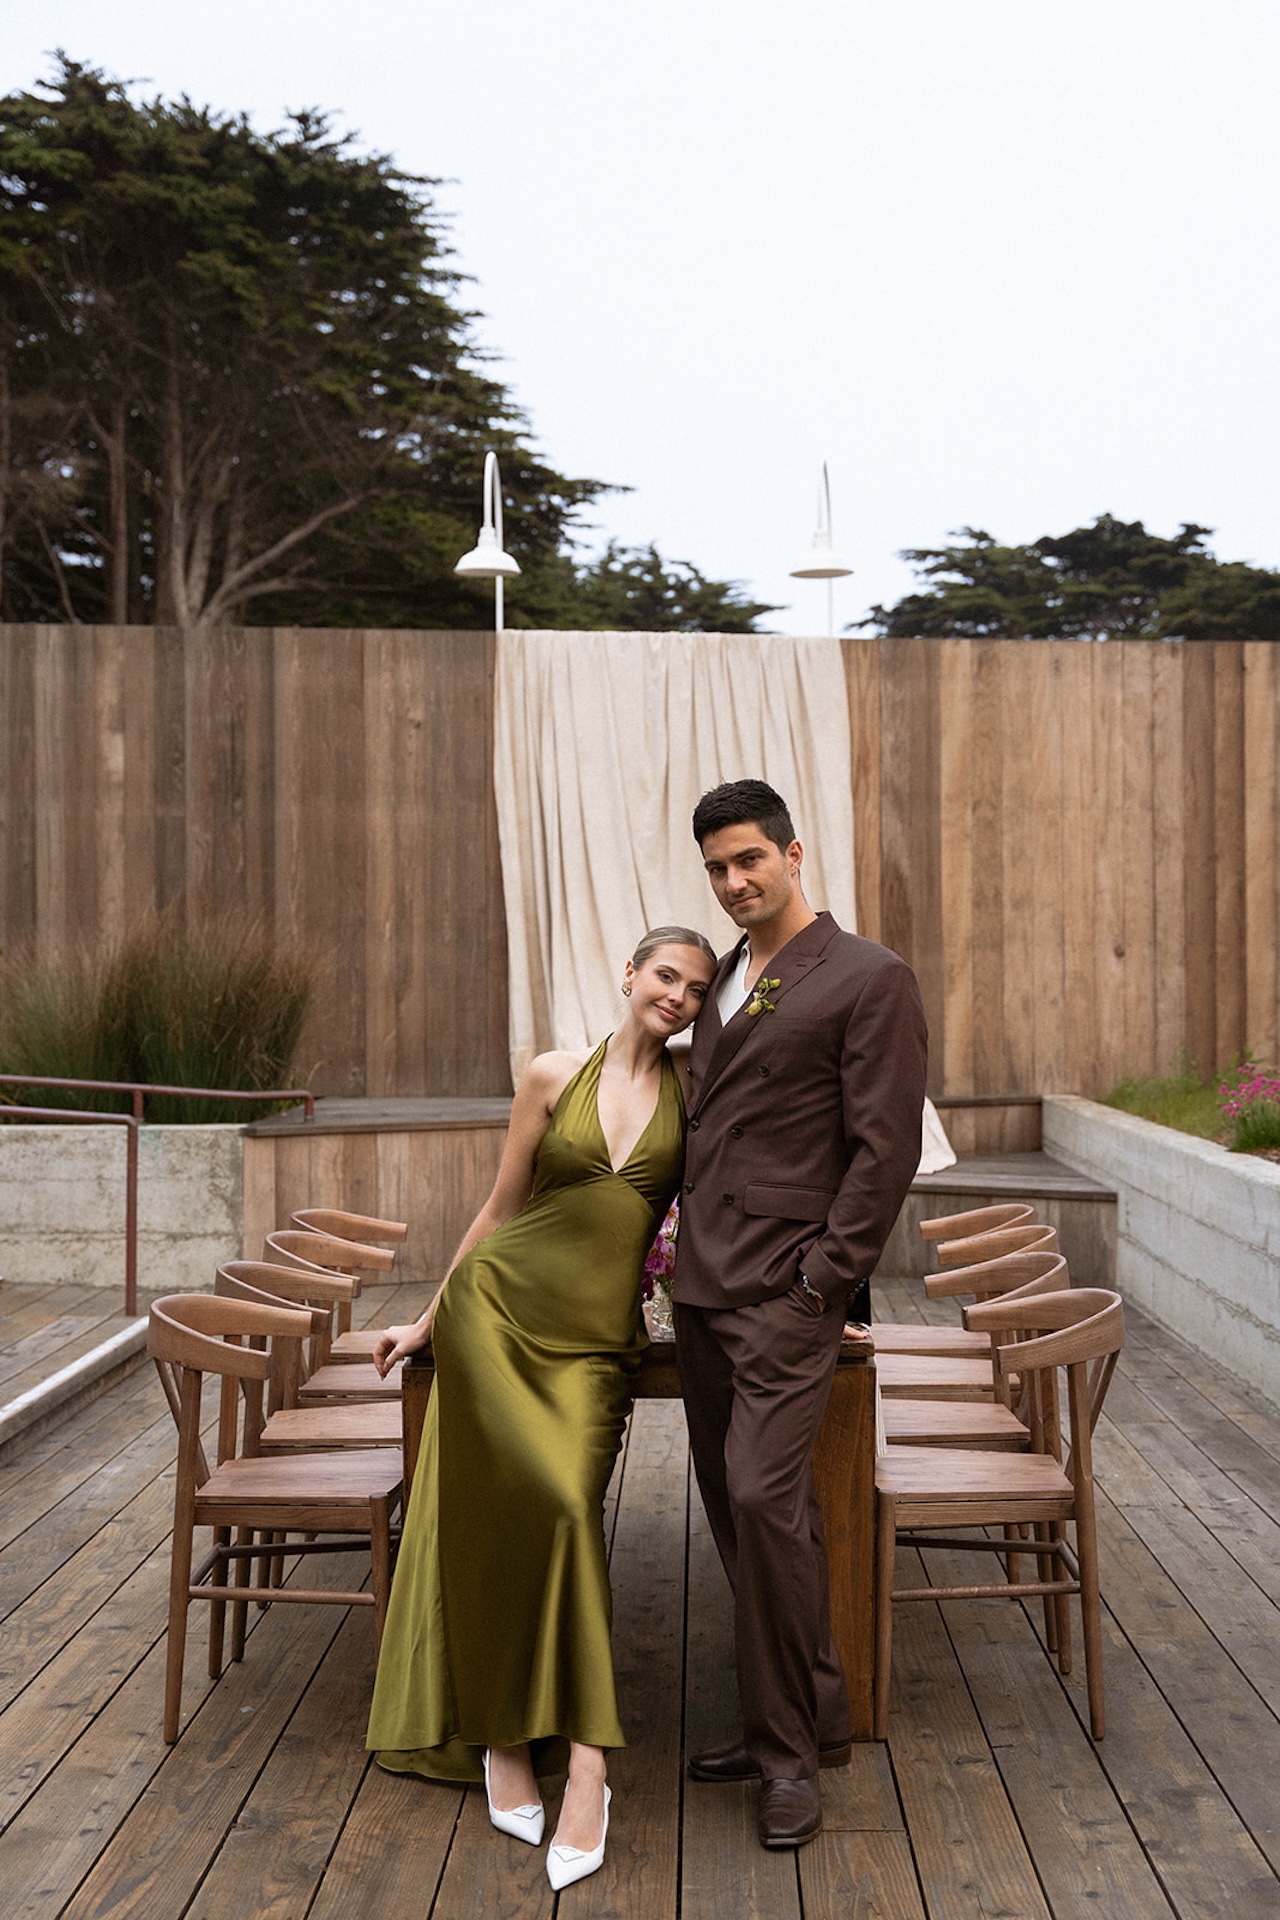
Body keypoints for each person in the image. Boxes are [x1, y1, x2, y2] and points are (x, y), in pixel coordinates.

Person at [366, 926, 717, 1891]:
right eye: (665, 976)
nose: (678, 996)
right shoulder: (551, 1076)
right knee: (505, 1518)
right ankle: (532, 1748)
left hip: (595, 1346)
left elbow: (748, 1208)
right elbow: (497, 1212)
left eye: (696, 987)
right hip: (497, 1311)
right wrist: (432, 1317)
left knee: (563, 1509)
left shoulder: (699, 1098)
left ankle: (568, 1751)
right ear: (631, 976)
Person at [673, 779, 927, 1850]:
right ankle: (808, 1712)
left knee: (762, 1500)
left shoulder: (868, 977)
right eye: (716, 869)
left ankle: (783, 1763)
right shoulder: (721, 977)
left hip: (787, 1290)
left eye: (747, 861)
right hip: (698, 1287)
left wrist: (825, 1281)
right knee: (749, 1521)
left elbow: (884, 1151)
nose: (733, 883)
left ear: (791, 854)